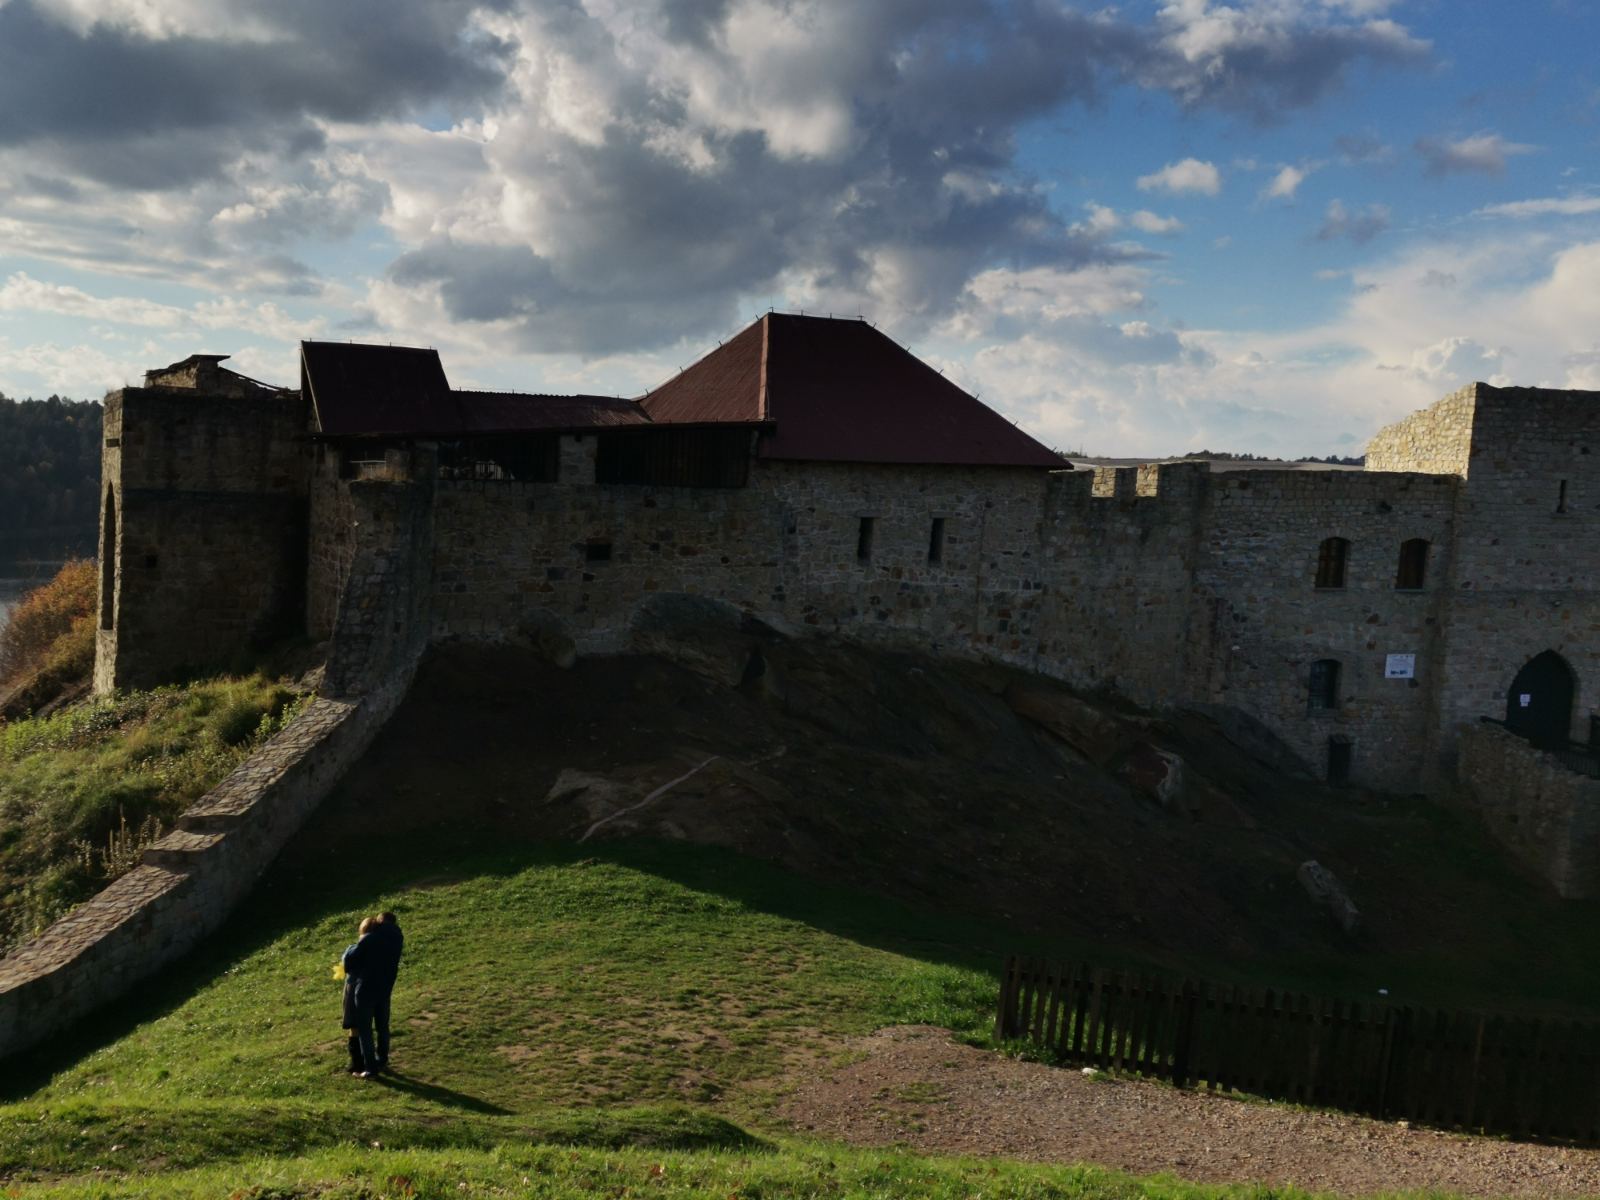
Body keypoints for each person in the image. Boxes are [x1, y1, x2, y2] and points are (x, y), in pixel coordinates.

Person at [340, 916, 382, 1078]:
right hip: (375, 988)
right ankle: (373, 1059)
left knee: (354, 1027)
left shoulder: (355, 949)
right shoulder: (382, 951)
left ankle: (357, 1064)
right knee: (368, 1026)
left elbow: (346, 963)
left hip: (354, 988)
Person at [368, 911, 405, 1070]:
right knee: (383, 1026)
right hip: (386, 986)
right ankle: (382, 1058)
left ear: (381, 920)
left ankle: (368, 1059)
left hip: (369, 985)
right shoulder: (398, 936)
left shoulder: (374, 934)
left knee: (366, 1026)